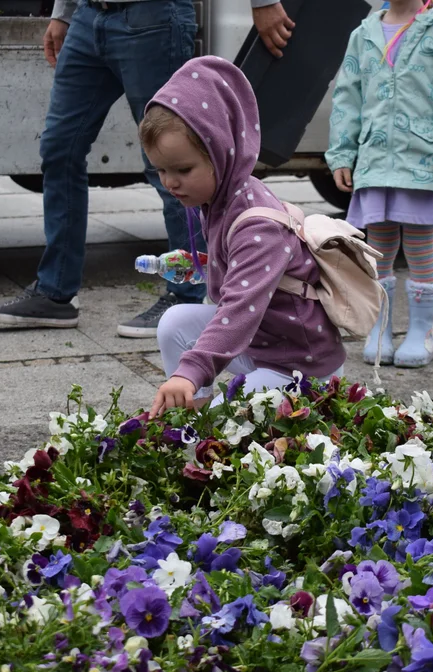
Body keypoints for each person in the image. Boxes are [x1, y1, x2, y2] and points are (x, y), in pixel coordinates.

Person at [0, 0, 297, 338]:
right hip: (88, 16)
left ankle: (187, 295)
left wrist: (263, 3)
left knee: (169, 161)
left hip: (153, 17)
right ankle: (54, 293)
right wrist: (64, 12)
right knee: (59, 149)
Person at [145, 56, 346, 416]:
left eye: (183, 169)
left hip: (298, 366)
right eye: (160, 169)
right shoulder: (221, 198)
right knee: (173, 322)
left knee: (222, 423)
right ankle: (194, 404)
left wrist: (191, 370)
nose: (170, 182)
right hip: (262, 343)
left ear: (221, 151)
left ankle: (200, 406)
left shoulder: (258, 225)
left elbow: (239, 309)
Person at [327, 0, 433, 368]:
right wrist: (342, 153)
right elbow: (347, 98)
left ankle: (422, 331)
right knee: (378, 248)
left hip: (423, 161)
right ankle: (379, 327)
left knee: (418, 245)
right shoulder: (362, 34)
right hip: (376, 163)